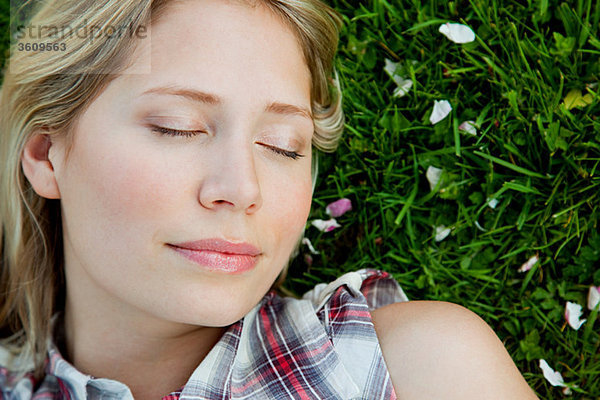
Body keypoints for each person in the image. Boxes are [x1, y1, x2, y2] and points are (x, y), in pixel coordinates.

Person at [0, 0, 539, 398]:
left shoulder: (419, 369)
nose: (242, 189)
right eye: (179, 128)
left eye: (283, 146)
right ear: (48, 154)